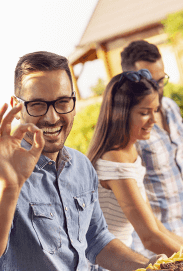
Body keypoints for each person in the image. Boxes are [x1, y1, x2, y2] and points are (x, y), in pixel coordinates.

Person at [0, 51, 161, 271]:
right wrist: (9, 188)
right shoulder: (3, 171)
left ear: (73, 102)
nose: (52, 117)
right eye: (37, 104)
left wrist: (154, 266)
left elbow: (97, 240)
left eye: (62, 102)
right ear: (16, 107)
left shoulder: (81, 166)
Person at [87, 69, 183, 263]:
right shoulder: (113, 160)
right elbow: (150, 238)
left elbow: (156, 226)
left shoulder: (129, 152)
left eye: (155, 110)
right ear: (122, 114)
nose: (153, 120)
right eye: (144, 113)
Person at [120, 40, 183, 258]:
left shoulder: (170, 108)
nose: (159, 88)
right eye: (152, 82)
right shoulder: (127, 127)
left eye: (162, 80)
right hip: (161, 247)